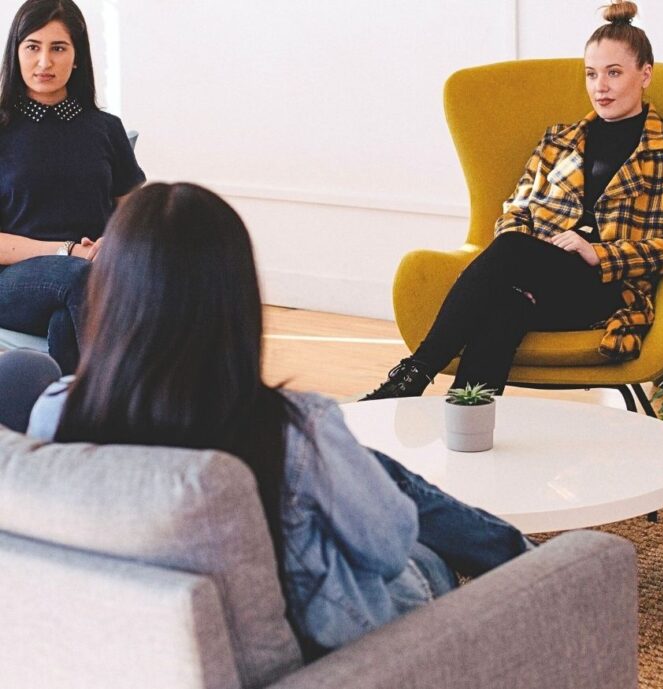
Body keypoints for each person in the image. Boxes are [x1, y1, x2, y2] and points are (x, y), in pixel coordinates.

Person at [11, 183, 530, 658]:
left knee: (361, 465)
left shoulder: (56, 411)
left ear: (108, 293)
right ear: (235, 296)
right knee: (420, 547)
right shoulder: (291, 428)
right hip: (330, 649)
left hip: (144, 644)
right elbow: (390, 546)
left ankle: (505, 547)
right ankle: (530, 567)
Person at [363, 0, 663, 399]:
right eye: (592, 74)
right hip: (536, 278)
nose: (600, 86)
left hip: (608, 290)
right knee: (506, 308)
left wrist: (600, 253)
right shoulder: (558, 140)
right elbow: (517, 209)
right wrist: (537, 255)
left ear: (645, 74)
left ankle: (415, 373)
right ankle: (465, 416)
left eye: (614, 73)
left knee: (512, 251)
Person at [0, 0, 144, 372]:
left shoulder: (105, 128)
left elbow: (136, 212)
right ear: (16, 52)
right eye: (33, 47)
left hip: (90, 279)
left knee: (68, 320)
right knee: (83, 280)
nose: (44, 62)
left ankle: (71, 405)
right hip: (13, 281)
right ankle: (134, 395)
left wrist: (114, 242)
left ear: (77, 56)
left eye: (59, 48)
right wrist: (68, 252)